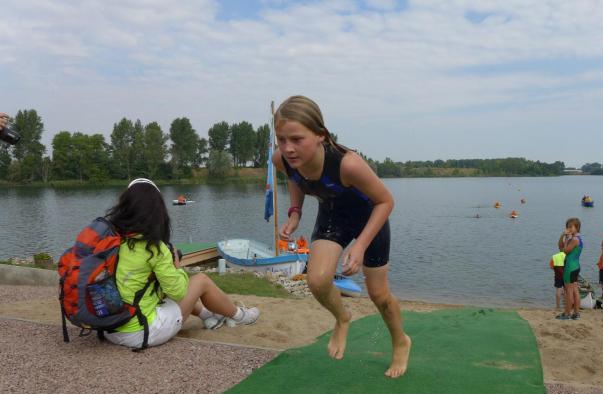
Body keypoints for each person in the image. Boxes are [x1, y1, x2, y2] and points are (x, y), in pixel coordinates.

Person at [271, 95, 411, 378]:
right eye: (281, 139)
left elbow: (386, 201)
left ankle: (400, 341)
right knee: (317, 280)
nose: (288, 148)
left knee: (378, 294)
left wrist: (360, 246)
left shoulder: (348, 164)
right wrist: (295, 212)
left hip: (369, 217)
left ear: (320, 135)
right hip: (333, 213)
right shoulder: (281, 159)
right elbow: (295, 179)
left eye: (297, 139)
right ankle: (343, 318)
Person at [104, 178, 260, 349]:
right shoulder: (153, 248)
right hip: (140, 332)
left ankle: (209, 316)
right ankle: (241, 316)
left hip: (111, 329)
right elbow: (178, 292)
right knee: (201, 280)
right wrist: (177, 267)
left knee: (165, 284)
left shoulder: (112, 242)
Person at [557, 218, 583, 320]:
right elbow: (559, 246)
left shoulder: (574, 239)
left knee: (568, 291)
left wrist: (566, 240)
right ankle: (576, 313)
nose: (569, 229)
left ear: (577, 227)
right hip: (575, 266)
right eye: (568, 227)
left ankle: (567, 313)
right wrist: (563, 235)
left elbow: (565, 251)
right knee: (575, 290)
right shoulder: (574, 238)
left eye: (571, 227)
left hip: (570, 267)